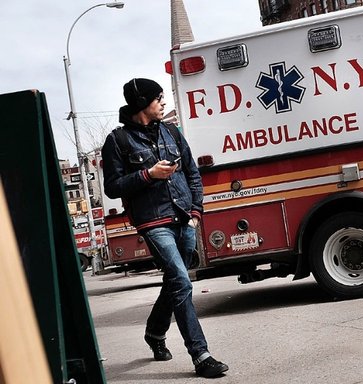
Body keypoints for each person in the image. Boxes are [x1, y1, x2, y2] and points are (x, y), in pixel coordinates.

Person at [101, 78, 228, 379]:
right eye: (158, 99)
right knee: (182, 282)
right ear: (143, 103)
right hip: (153, 222)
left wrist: (196, 211)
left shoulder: (172, 132)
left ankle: (155, 333)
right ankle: (201, 355)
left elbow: (192, 172)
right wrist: (148, 174)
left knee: (175, 281)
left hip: (184, 217)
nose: (163, 104)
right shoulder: (117, 141)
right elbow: (112, 187)